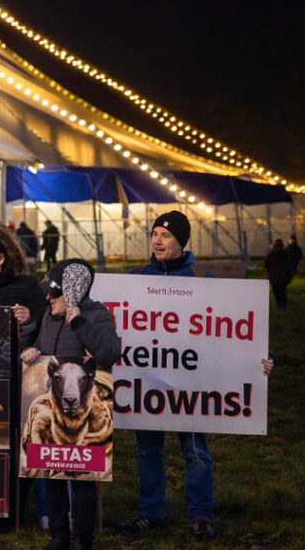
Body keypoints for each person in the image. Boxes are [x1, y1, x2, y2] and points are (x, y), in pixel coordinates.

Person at [120, 210, 274, 541]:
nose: (157, 240)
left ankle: (201, 516)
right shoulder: (135, 278)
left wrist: (263, 357)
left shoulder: (202, 286)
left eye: (166, 235)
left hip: (191, 388)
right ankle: (151, 512)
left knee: (194, 451)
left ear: (181, 243)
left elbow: (234, 330)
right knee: (147, 450)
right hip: (144, 382)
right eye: (154, 234)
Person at [20, 259, 120, 550]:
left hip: (85, 415)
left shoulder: (98, 315)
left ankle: (82, 538)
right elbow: (39, 348)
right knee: (51, 474)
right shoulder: (49, 317)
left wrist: (78, 322)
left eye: (55, 292)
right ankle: (59, 535)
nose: (48, 297)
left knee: (83, 478)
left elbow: (109, 354)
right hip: (53, 412)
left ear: (73, 292)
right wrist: (31, 349)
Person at [265, 239, 291, 309]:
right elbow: (289, 265)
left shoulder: (271, 254)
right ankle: (282, 304)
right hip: (282, 276)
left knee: (276, 291)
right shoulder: (285, 254)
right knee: (282, 291)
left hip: (274, 276)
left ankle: (279, 304)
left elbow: (266, 265)